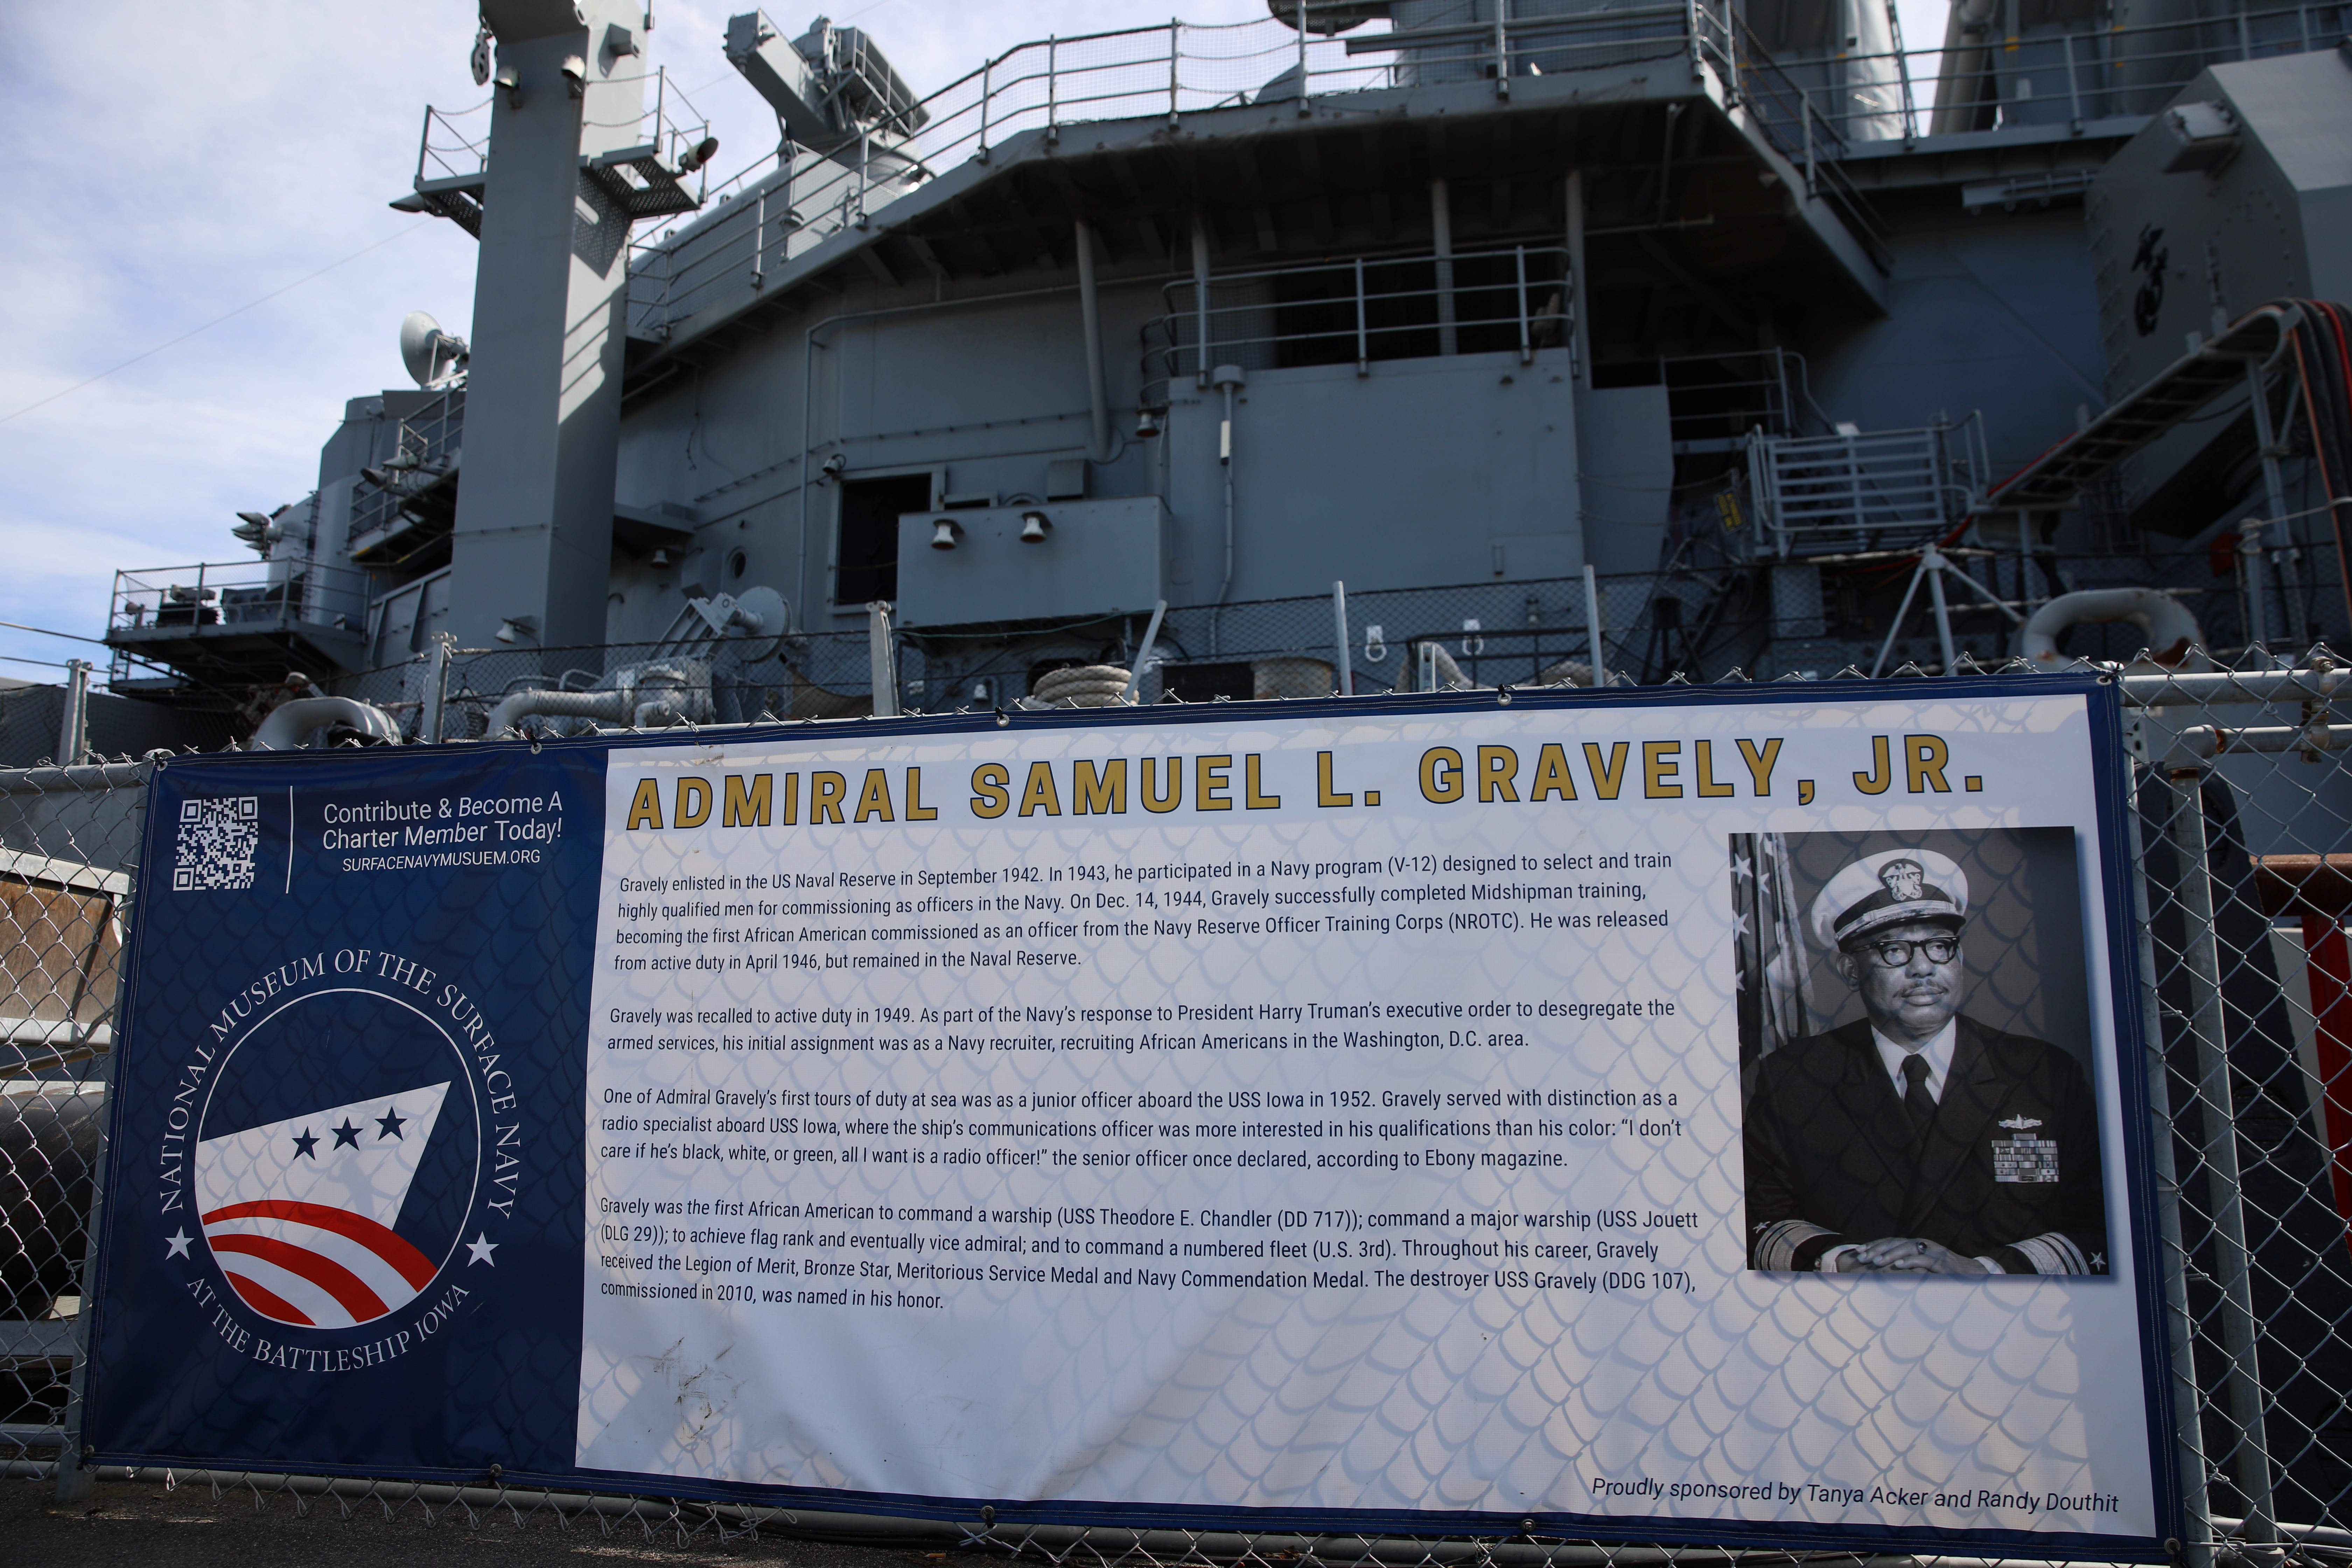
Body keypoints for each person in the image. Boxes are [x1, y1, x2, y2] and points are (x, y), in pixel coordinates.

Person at [1745, 847, 2108, 1275]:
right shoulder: (1794, 1078)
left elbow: (2102, 1224)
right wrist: (1843, 1262)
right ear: (1849, 970)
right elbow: (1757, 1217)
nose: (1922, 968)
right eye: (1893, 950)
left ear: (1960, 959)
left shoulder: (2045, 1075)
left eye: (1940, 946)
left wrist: (1984, 1272)